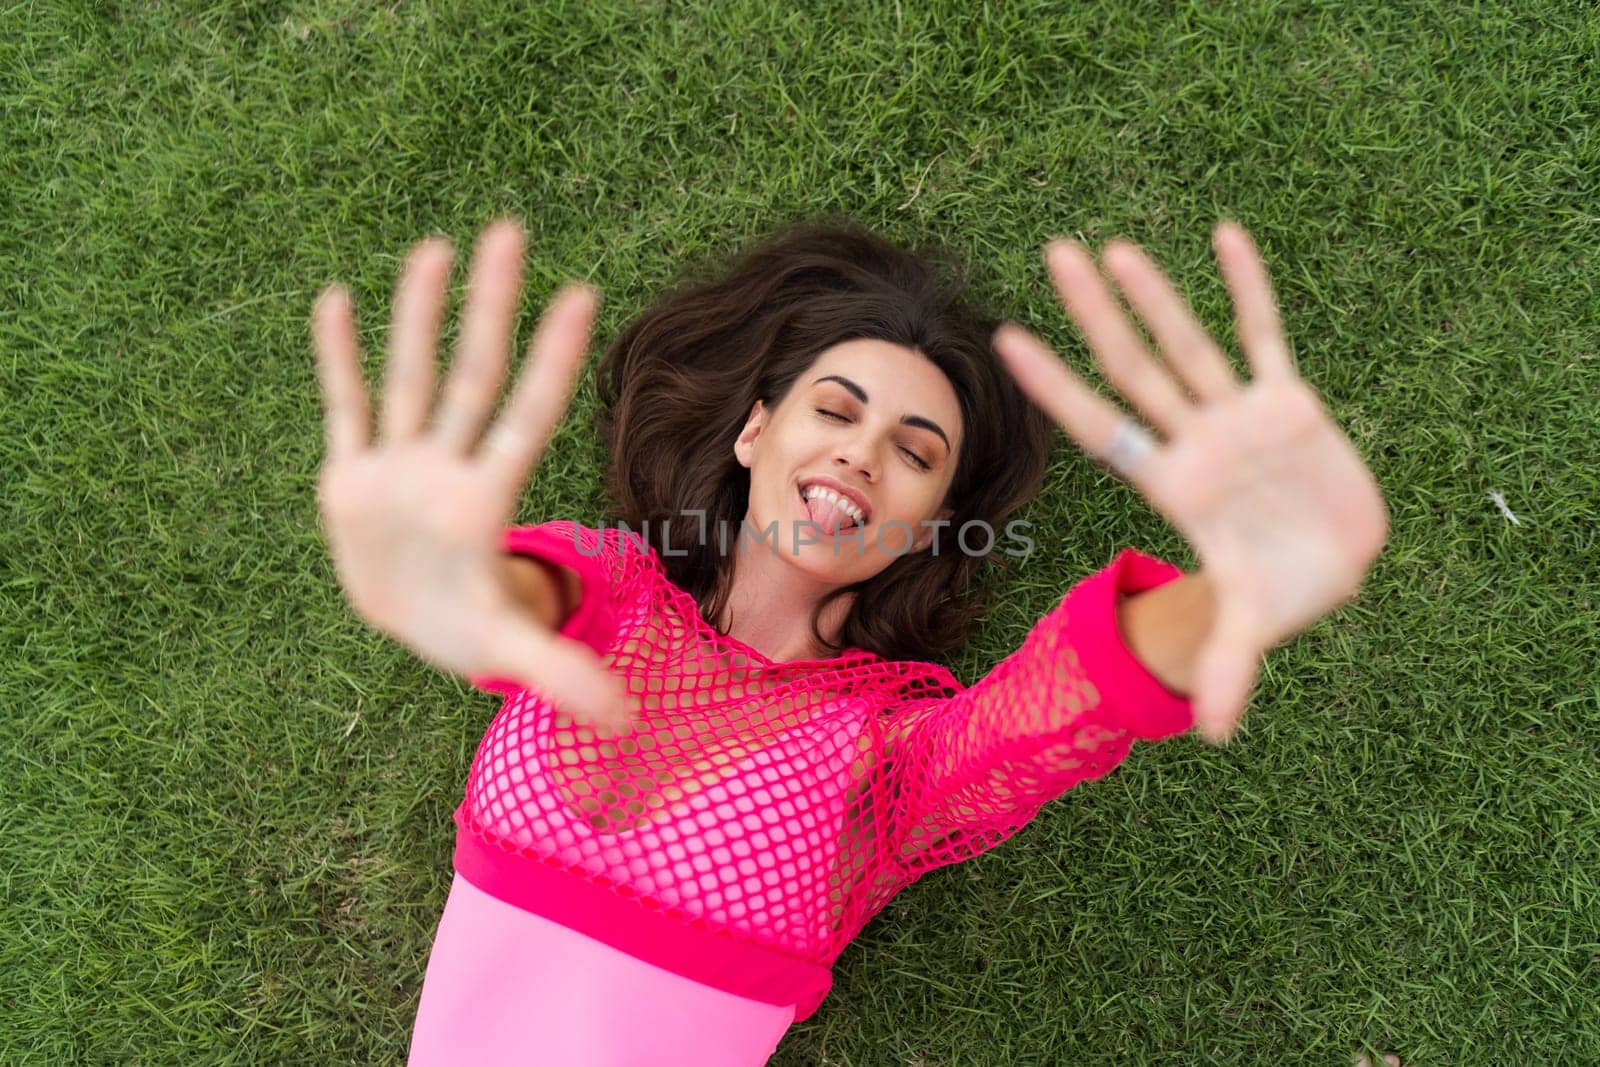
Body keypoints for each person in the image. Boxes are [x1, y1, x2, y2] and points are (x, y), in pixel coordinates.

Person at [311, 215, 1390, 1065]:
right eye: (836, 409)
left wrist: (1236, 586)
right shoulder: (614, 594)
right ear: (752, 430)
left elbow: (1070, 694)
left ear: (925, 522)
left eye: (914, 452)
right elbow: (521, 596)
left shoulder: (888, 762)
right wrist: (445, 573)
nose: (862, 454)